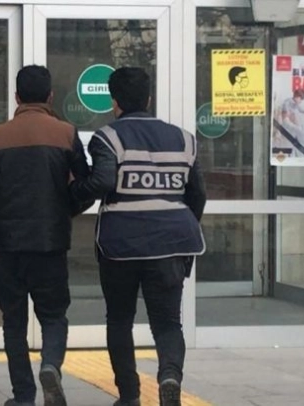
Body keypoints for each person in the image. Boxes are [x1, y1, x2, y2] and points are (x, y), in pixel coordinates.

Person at [69, 67, 206, 406]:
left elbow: (102, 181)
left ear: (114, 102)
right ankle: (170, 376)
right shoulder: (184, 139)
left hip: (121, 244)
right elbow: (198, 194)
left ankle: (129, 395)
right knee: (168, 322)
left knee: (119, 319)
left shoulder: (108, 137)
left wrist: (73, 192)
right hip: (172, 243)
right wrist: (181, 225)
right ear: (148, 99)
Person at [0, 65, 91, 406]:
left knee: (13, 321)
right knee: (54, 315)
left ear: (16, 97)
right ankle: (50, 365)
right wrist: (66, 210)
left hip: (8, 242)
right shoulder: (66, 132)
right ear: (50, 96)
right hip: (50, 240)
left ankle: (23, 395)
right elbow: (85, 184)